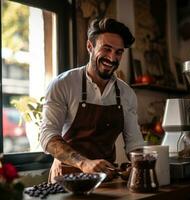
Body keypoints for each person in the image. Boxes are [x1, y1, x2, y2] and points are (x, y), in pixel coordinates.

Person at [39, 17, 144, 183]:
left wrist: (138, 164)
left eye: (118, 52)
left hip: (107, 180)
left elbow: (134, 143)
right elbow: (47, 135)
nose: (112, 58)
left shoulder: (126, 93)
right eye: (107, 49)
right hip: (67, 179)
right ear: (90, 46)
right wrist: (84, 163)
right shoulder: (63, 84)